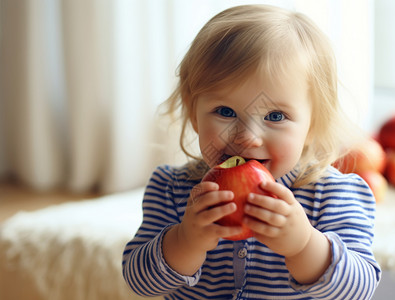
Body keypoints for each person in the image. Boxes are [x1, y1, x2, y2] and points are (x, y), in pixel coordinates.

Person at [122, 4, 381, 299]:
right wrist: (186, 241)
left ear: (312, 124)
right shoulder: (172, 189)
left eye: (275, 116)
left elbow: (359, 290)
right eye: (225, 111)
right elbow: (137, 281)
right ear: (194, 113)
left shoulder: (334, 194)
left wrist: (304, 245)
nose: (247, 138)